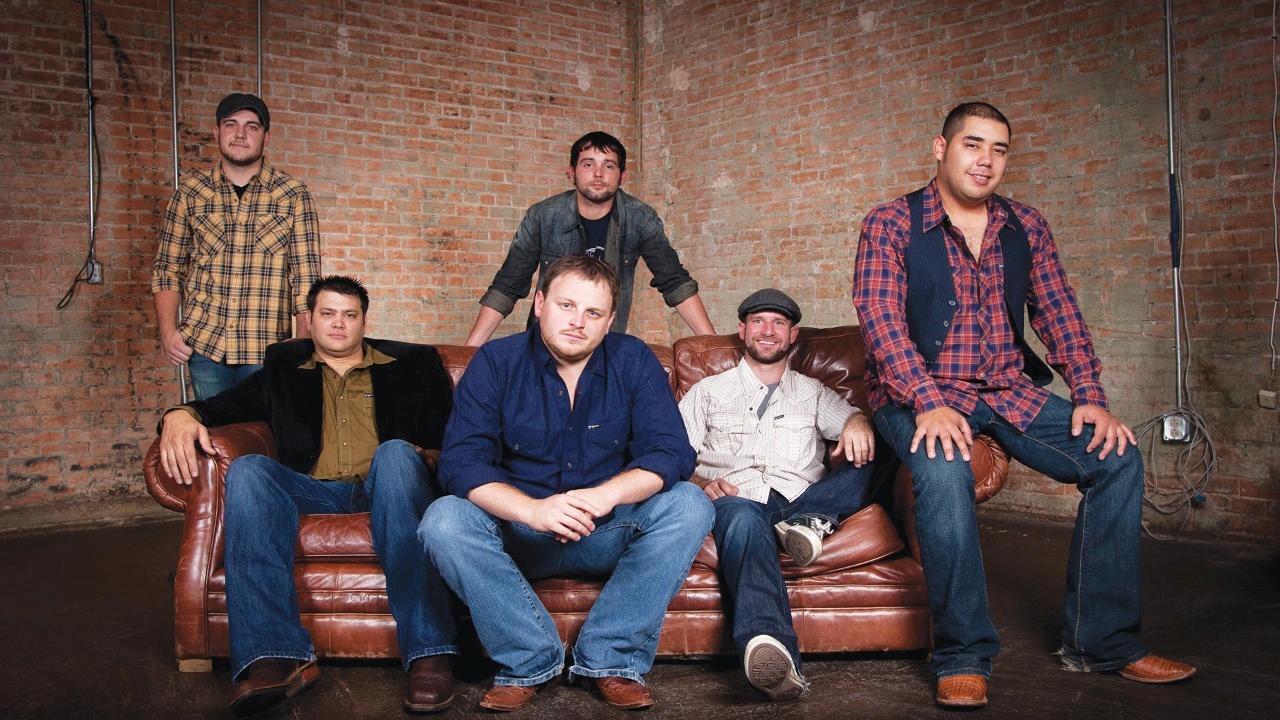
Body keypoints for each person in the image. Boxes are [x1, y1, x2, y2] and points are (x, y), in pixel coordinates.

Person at [852, 101, 1196, 709]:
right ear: (941, 149)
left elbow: (1059, 312)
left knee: (1117, 459)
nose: (985, 160)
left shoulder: (1025, 226)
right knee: (946, 470)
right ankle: (962, 655)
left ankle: (1103, 643)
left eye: (999, 149)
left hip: (1007, 390)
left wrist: (1089, 396)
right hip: (920, 392)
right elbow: (880, 321)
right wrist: (927, 401)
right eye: (972, 144)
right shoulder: (891, 223)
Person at [421, 255, 714, 712]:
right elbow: (461, 461)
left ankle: (611, 659)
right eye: (566, 306)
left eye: (593, 312)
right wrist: (533, 510)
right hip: (519, 532)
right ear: (539, 304)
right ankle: (528, 660)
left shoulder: (634, 360)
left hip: (605, 529)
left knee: (690, 503)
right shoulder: (496, 362)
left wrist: (604, 496)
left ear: (609, 321)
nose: (578, 321)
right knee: (444, 519)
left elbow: (670, 451)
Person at [156, 276, 457, 716]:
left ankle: (430, 651)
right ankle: (274, 656)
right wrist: (181, 413)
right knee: (249, 470)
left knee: (394, 454)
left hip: (388, 486)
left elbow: (455, 431)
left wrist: (426, 457)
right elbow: (228, 404)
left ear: (364, 322)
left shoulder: (412, 364)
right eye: (328, 313)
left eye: (349, 315)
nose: (339, 323)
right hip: (314, 490)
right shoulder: (284, 368)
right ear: (310, 320)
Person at [678, 288, 876, 701]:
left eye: (779, 323)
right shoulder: (707, 391)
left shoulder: (813, 391)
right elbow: (669, 457)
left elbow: (856, 426)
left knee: (887, 436)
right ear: (742, 330)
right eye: (758, 321)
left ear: (792, 335)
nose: (768, 331)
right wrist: (699, 485)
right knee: (743, 520)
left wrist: (858, 421)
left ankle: (810, 519)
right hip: (738, 500)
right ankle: (771, 650)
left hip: (800, 499)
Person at [463, 131, 714, 345]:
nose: (598, 173)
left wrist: (714, 346)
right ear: (571, 173)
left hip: (605, 343)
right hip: (547, 344)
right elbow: (507, 286)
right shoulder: (542, 216)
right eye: (588, 164)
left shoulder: (640, 219)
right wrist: (469, 352)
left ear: (622, 176)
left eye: (609, 165)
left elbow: (675, 282)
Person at [152, 92, 321, 400]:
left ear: (266, 137)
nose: (240, 134)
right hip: (204, 345)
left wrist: (302, 345)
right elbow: (167, 268)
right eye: (231, 124)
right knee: (213, 428)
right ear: (217, 132)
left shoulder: (293, 195)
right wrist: (168, 331)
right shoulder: (190, 194)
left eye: (251, 126)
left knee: (264, 428)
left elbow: (305, 277)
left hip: (265, 348)